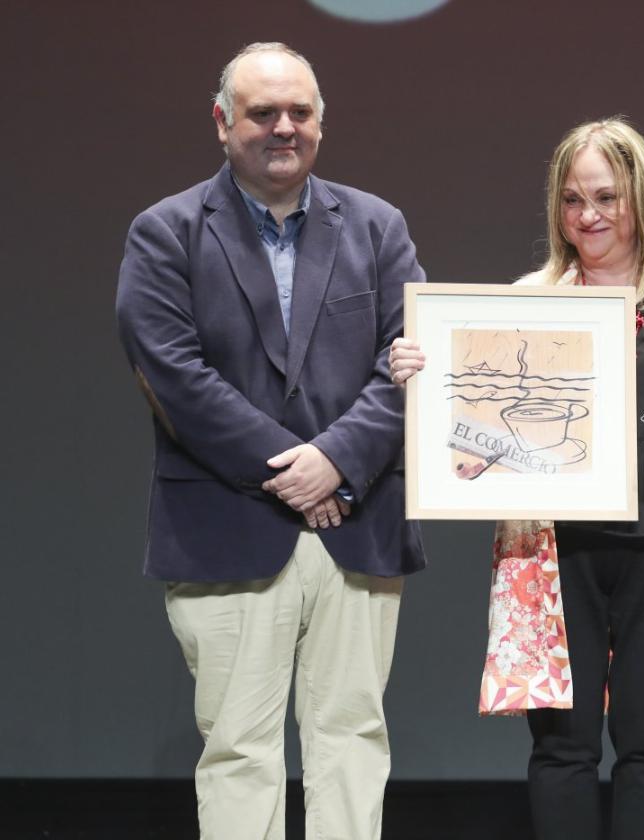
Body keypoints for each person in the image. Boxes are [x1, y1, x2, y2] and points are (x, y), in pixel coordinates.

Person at [390, 117, 644, 840]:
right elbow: (480, 414)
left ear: (641, 199)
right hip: (555, 554)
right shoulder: (532, 298)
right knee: (562, 747)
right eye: (571, 200)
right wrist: (427, 376)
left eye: (606, 197)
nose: (588, 216)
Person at [115, 42, 425, 840]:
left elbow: (415, 364)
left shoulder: (378, 226)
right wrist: (294, 471)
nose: (284, 127)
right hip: (226, 528)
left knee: (353, 742)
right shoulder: (166, 233)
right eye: (262, 113)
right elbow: (174, 375)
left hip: (358, 524)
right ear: (222, 123)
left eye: (301, 112)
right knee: (239, 750)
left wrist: (336, 463)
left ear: (322, 121)